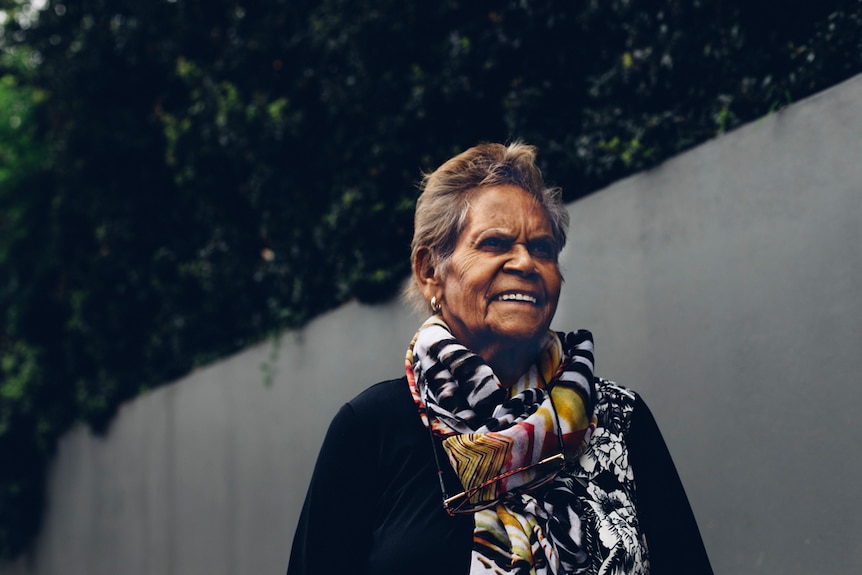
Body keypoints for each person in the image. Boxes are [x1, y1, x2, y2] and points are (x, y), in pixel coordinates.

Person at [287, 142, 713, 574]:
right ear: (429, 271)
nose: (526, 262)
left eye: (543, 248)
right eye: (494, 243)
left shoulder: (620, 419)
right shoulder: (371, 429)